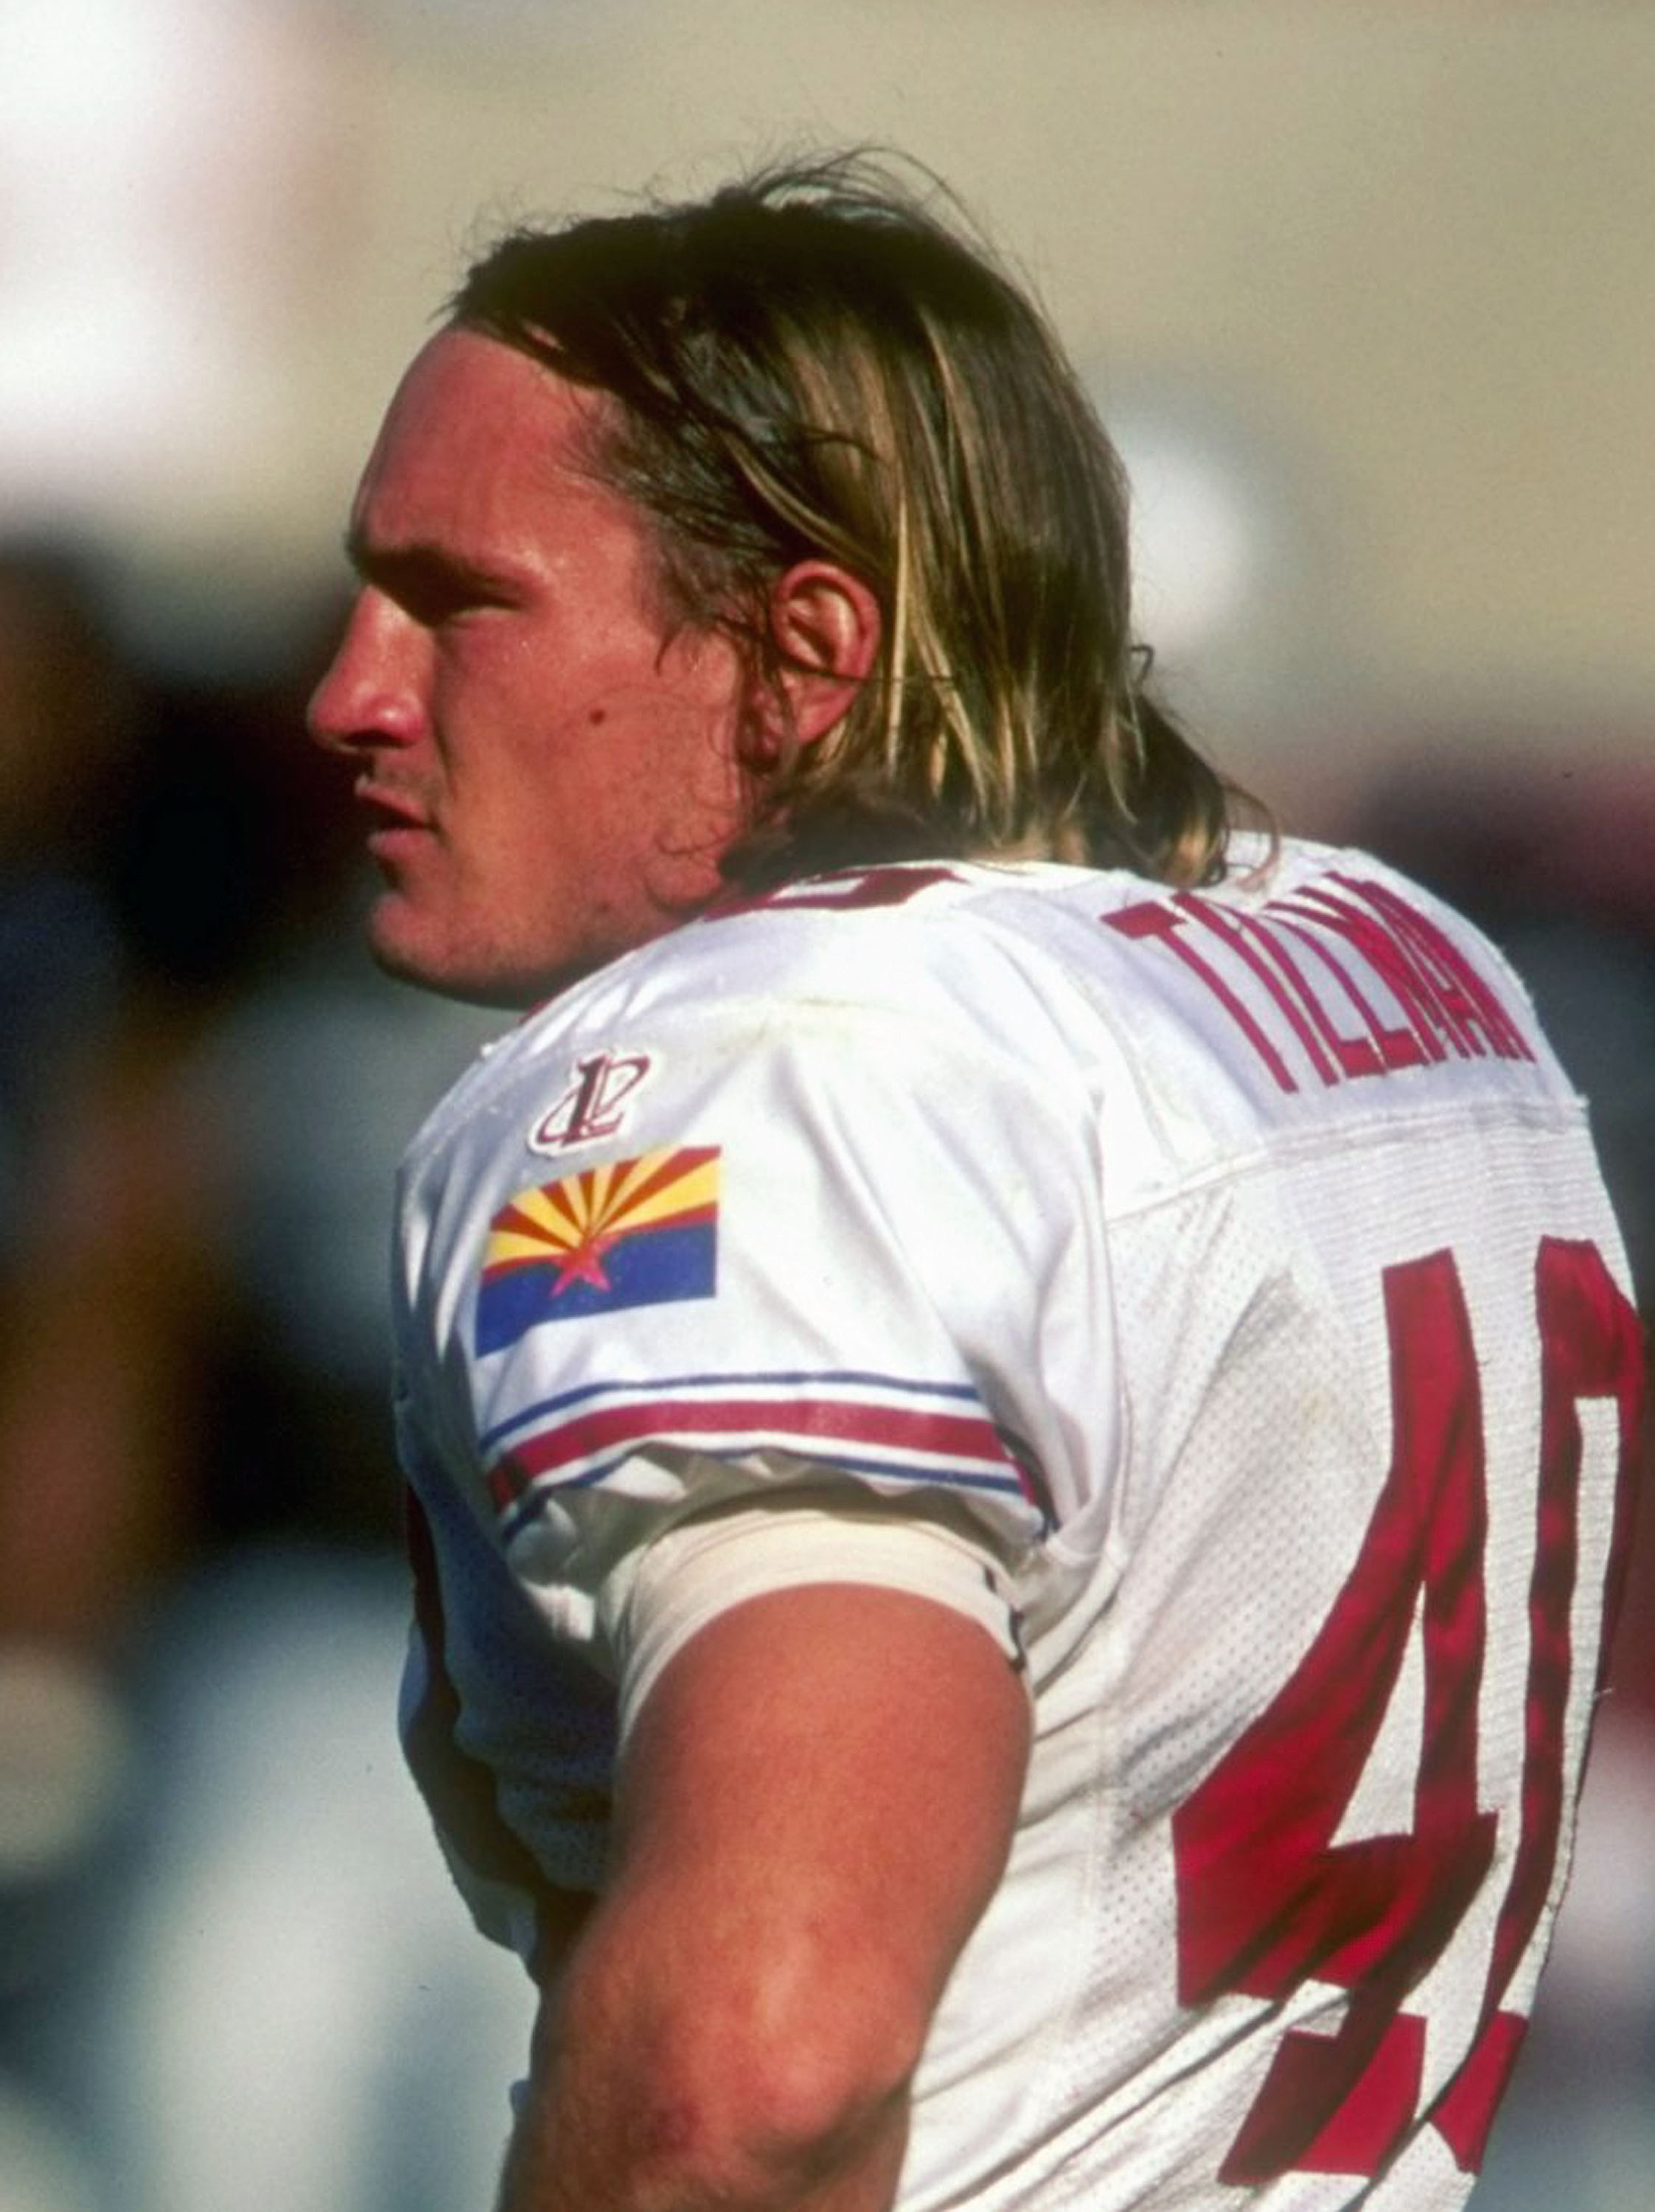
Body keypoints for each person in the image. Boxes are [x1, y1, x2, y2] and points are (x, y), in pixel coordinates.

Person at [305, 153, 1644, 2212]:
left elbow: (758, 2069)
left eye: (462, 604)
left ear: (799, 653)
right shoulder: (1390, 957)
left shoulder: (783, 1074)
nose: (351, 696)